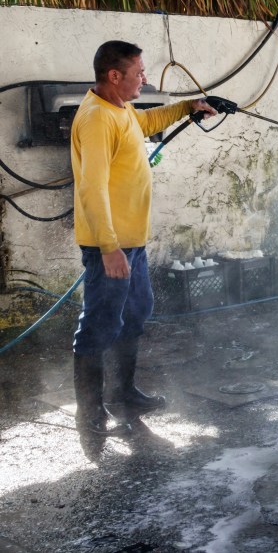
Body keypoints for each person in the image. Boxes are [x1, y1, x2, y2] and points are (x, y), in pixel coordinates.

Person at [70, 40, 217, 453]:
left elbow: (146, 122)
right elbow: (92, 188)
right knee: (99, 325)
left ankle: (123, 394)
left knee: (134, 315)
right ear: (114, 76)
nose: (144, 78)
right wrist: (109, 247)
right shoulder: (97, 119)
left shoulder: (119, 110)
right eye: (139, 72)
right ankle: (90, 414)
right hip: (111, 246)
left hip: (132, 243)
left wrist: (191, 105)